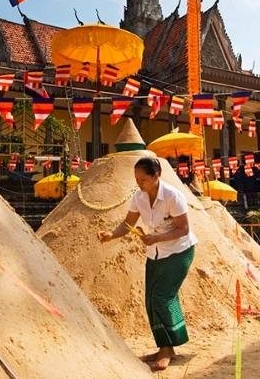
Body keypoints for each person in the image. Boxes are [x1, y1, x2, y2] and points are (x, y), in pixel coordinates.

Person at [97, 157, 197, 371]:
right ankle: (165, 348)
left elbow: (184, 229)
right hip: (155, 253)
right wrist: (111, 235)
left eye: (143, 179)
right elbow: (128, 223)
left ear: (156, 175)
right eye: (136, 179)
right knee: (150, 299)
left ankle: (167, 349)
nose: (139, 183)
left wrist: (156, 238)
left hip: (179, 251)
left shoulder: (173, 196)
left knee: (161, 296)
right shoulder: (138, 197)